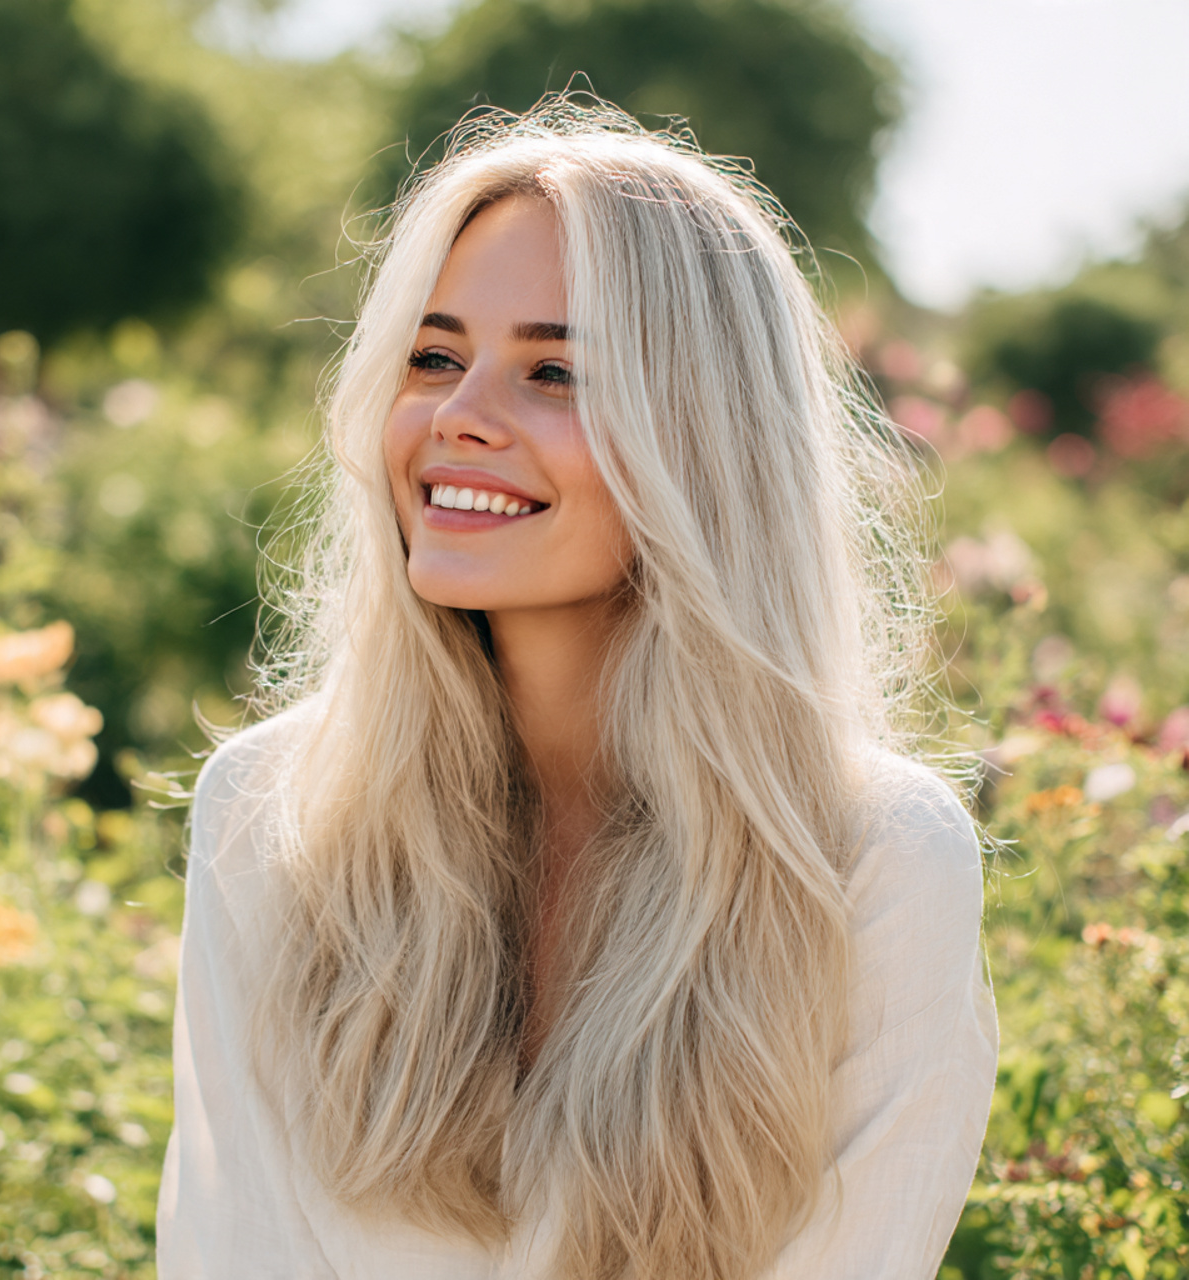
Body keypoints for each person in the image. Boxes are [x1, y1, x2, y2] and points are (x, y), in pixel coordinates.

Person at [156, 98, 998, 1280]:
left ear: (705, 441)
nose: (458, 419)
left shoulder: (875, 861)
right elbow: (227, 1245)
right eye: (434, 357)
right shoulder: (272, 811)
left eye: (554, 372)